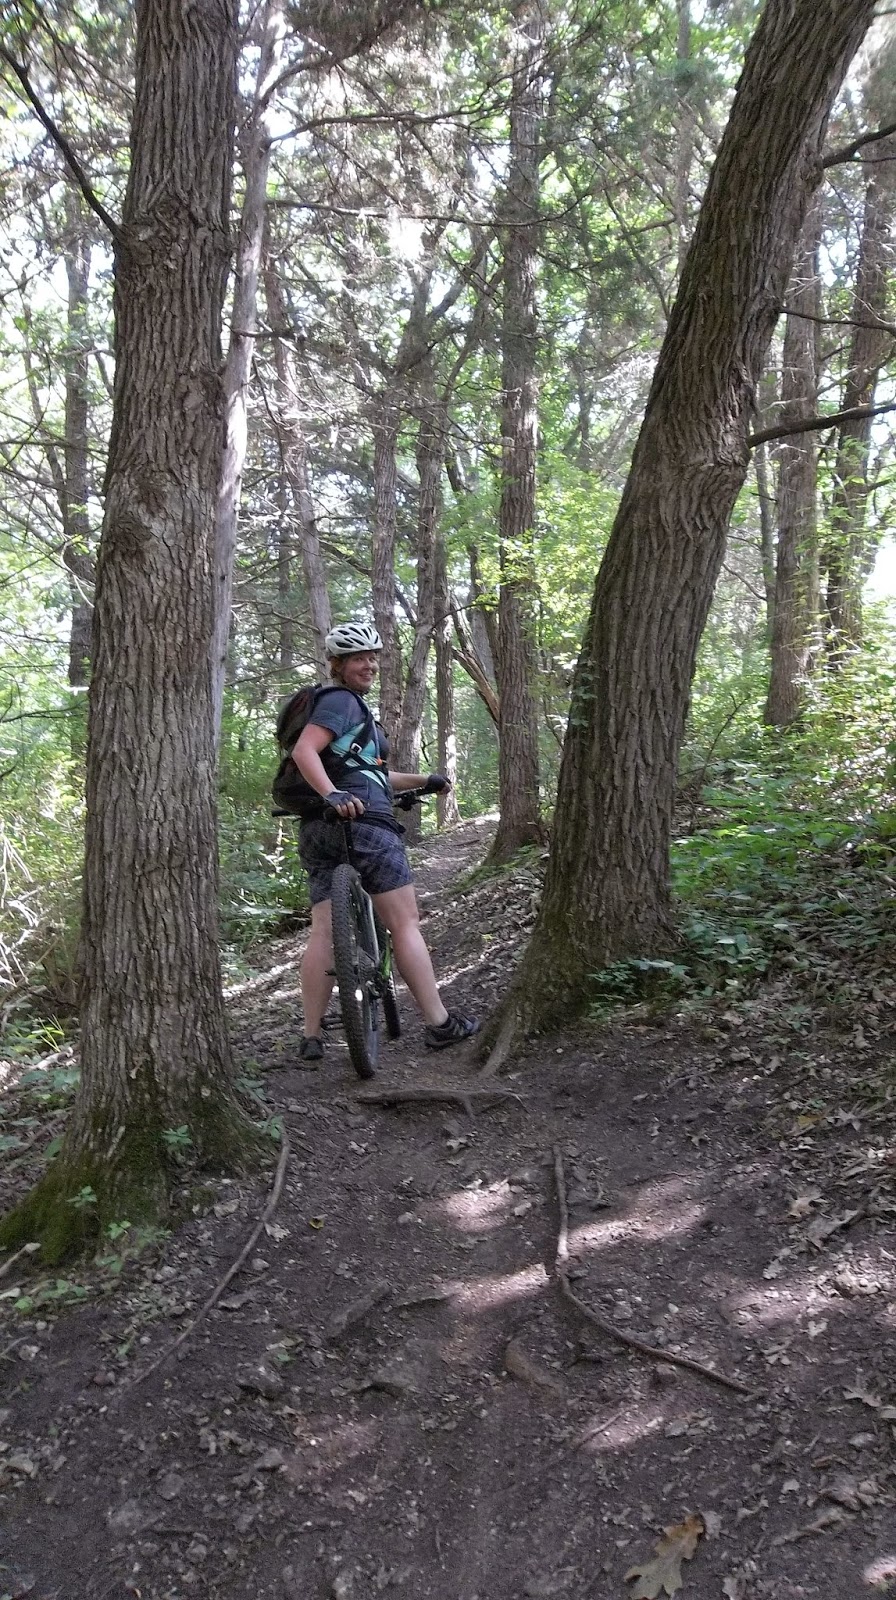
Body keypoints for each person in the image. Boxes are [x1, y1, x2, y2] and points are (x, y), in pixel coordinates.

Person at [290, 620, 479, 1064]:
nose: (369, 665)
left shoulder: (348, 716)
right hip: (364, 823)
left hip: (319, 828)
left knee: (323, 929)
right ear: (337, 665)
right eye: (359, 658)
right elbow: (304, 751)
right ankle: (439, 1023)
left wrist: (424, 779)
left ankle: (312, 1035)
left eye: (373, 658)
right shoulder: (341, 701)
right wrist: (335, 794)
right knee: (405, 922)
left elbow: (373, 774)